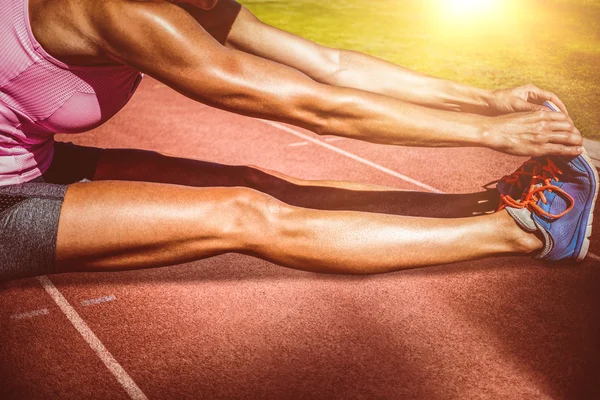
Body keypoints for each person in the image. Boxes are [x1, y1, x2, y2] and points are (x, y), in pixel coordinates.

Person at [0, 0, 596, 283]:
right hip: (6, 200)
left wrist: (484, 100)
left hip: (38, 155)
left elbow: (331, 66)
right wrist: (489, 134)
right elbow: (305, 103)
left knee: (253, 181)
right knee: (243, 213)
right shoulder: (120, 11)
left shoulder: (201, 4)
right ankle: (524, 233)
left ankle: (489, 205)